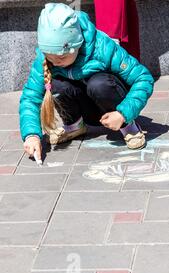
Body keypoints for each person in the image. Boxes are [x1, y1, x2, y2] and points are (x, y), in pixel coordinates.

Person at [20, 3, 154, 162]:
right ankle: (75, 125)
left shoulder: (102, 47)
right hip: (86, 108)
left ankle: (128, 127)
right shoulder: (44, 59)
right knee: (55, 85)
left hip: (112, 103)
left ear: (76, 45)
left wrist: (123, 114)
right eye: (51, 57)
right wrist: (31, 135)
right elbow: (30, 97)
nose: (56, 62)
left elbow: (143, 78)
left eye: (62, 57)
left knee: (99, 84)